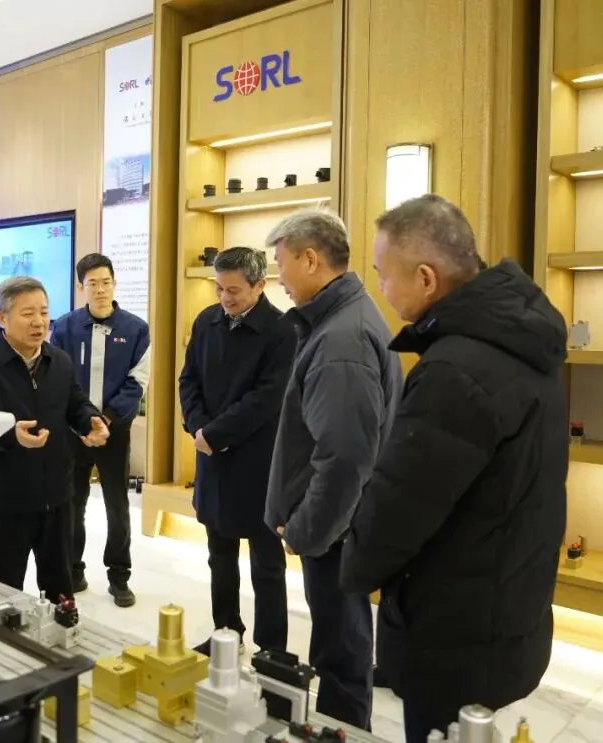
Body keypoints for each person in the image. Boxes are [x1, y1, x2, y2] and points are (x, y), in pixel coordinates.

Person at [340, 195, 568, 742]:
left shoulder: (456, 370)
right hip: (503, 601)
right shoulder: (519, 342)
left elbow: (403, 501)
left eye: (383, 274)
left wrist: (354, 568)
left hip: (454, 621)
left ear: (425, 278)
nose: (381, 288)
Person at [264, 209, 402, 731]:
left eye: (281, 263)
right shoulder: (339, 321)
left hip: (335, 531)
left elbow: (344, 459)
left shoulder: (342, 340)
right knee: (341, 645)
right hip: (339, 526)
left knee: (340, 657)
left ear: (309, 259)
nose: (278, 277)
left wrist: (306, 530)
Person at [0, 276, 111, 600]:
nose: (39, 321)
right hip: (4, 503)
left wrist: (90, 420)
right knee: (6, 594)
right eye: (28, 313)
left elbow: (74, 402)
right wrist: (10, 436)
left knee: (60, 592)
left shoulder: (59, 361)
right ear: (2, 318)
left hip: (57, 499)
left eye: (44, 312)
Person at [178, 247, 295, 656]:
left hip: (259, 462)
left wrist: (217, 433)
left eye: (234, 290)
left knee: (267, 563)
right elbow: (189, 379)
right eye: (219, 288)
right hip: (212, 456)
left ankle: (272, 649)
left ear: (260, 285)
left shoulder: (282, 331)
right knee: (219, 555)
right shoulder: (206, 321)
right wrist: (198, 427)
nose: (225, 298)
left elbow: (268, 397)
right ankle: (226, 631)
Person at [51, 254, 150, 607]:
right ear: (82, 287)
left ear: (115, 283)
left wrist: (105, 420)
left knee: (117, 505)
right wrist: (81, 422)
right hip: (73, 431)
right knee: (71, 503)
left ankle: (119, 576)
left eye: (106, 282)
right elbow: (56, 378)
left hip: (113, 431)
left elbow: (138, 381)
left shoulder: (136, 329)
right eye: (92, 283)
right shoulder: (64, 328)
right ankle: (73, 569)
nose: (100, 289)